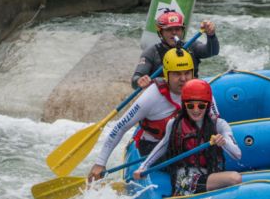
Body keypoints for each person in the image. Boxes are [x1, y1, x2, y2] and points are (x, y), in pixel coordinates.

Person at [89, 48, 218, 182]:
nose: (183, 79)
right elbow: (120, 127)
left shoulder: (202, 90)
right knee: (189, 158)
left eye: (187, 73)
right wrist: (100, 163)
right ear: (166, 74)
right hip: (153, 148)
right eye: (177, 74)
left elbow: (215, 122)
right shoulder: (152, 96)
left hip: (186, 144)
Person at [134, 79, 242, 196]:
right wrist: (143, 167)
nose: (196, 110)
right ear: (184, 105)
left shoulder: (219, 125)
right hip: (185, 178)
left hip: (211, 173)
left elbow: (237, 154)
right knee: (234, 178)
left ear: (208, 105)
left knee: (234, 178)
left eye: (201, 106)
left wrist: (224, 142)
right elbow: (163, 146)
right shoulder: (174, 124)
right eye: (190, 105)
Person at [131, 10, 219, 90]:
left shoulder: (192, 47)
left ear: (182, 31)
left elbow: (213, 51)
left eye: (177, 29)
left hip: (190, 95)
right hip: (163, 98)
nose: (174, 33)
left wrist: (211, 35)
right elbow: (135, 80)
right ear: (160, 32)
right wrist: (140, 81)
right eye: (169, 29)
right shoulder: (151, 52)